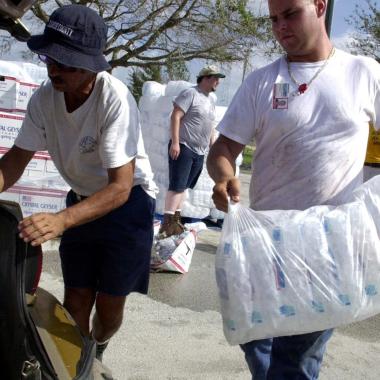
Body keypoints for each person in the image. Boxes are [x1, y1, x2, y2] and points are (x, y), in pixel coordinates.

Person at [207, 0, 380, 378]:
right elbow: (223, 148)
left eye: (290, 14)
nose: (280, 26)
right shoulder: (261, 81)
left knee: (297, 361)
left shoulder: (363, 73)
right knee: (258, 345)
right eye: (273, 18)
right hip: (264, 245)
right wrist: (223, 177)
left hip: (327, 249)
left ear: (320, 6)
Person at [0, 4, 157, 362]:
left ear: (92, 65)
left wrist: (60, 221)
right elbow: (14, 162)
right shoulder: (44, 99)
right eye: (50, 60)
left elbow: (119, 186)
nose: (55, 70)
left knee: (109, 308)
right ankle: (82, 363)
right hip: (82, 199)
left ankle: (98, 346)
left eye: (66, 63)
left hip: (128, 206)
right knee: (75, 302)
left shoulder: (113, 98)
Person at [158, 64, 225, 238]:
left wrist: (212, 144)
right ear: (206, 77)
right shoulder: (190, 94)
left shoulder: (210, 100)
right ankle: (167, 225)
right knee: (176, 186)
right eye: (215, 78)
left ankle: (176, 221)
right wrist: (175, 142)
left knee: (184, 187)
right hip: (184, 146)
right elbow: (176, 116)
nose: (218, 81)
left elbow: (209, 125)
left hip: (199, 151)